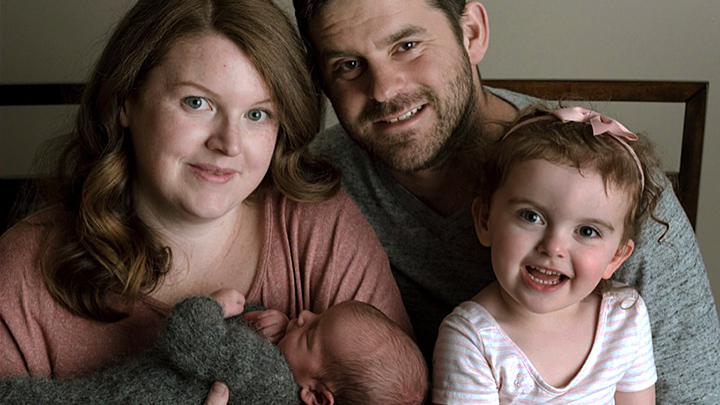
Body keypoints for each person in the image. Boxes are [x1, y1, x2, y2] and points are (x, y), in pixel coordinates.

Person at [291, 0, 720, 402]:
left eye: (407, 45)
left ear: (472, 32)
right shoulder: (311, 188)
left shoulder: (616, 194)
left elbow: (695, 393)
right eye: (348, 65)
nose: (384, 90)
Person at [0, 0, 413, 403]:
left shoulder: (320, 228)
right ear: (126, 99)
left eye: (257, 115)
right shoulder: (25, 266)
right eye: (197, 103)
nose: (228, 144)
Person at [433, 106, 659, 404]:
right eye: (530, 216)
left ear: (616, 257)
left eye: (587, 231)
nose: (553, 247)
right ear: (485, 220)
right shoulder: (473, 340)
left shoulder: (625, 318)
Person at [1, 289, 428, 405]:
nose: (303, 314)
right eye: (316, 312)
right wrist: (278, 325)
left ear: (316, 397)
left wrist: (222, 305)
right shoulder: (286, 379)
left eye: (312, 332)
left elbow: (189, 337)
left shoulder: (267, 372)